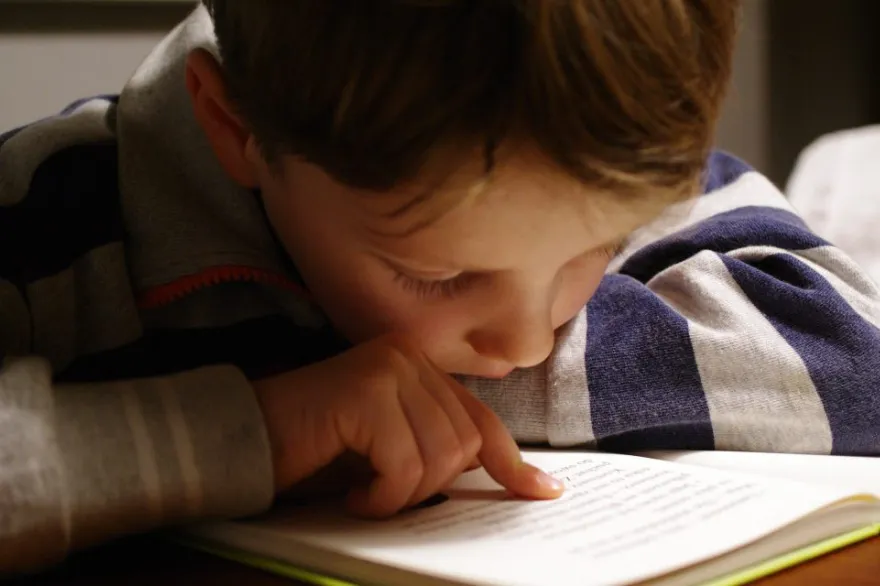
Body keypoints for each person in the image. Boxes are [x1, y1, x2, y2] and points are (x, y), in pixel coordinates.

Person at [2, 0, 878, 575]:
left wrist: (439, 396)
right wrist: (253, 428)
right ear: (236, 128)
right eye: (439, 274)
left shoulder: (598, 145)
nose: (530, 341)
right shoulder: (40, 224)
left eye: (597, 248)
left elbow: (858, 362)